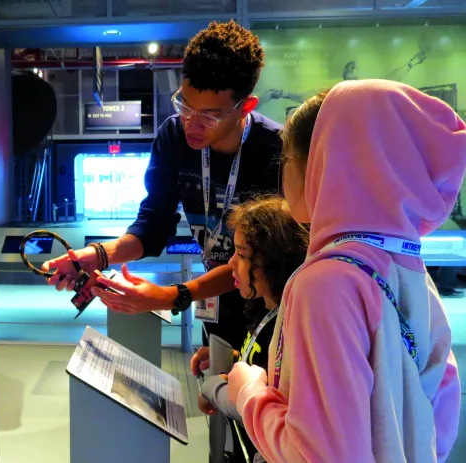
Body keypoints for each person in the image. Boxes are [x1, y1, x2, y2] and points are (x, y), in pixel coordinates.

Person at [226, 79, 464, 462]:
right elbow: (441, 416)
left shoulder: (325, 284)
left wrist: (247, 392)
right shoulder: (409, 270)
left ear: (322, 160)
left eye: (287, 158)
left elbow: (317, 454)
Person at [42, 20, 283, 349]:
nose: (190, 124)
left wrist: (174, 295)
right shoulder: (173, 137)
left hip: (270, 312)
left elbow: (261, 260)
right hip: (214, 309)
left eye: (210, 115)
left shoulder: (275, 151)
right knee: (212, 389)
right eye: (184, 105)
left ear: (245, 107)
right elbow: (153, 225)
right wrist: (96, 255)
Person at [190, 197, 308, 462]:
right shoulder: (265, 310)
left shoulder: (288, 328)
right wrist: (231, 359)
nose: (231, 263)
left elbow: (255, 404)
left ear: (273, 264)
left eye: (242, 255)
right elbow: (262, 368)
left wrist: (211, 389)